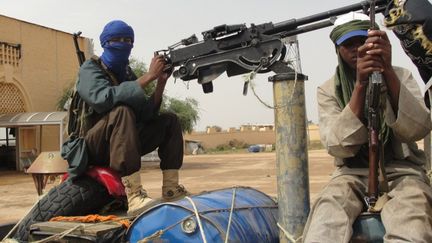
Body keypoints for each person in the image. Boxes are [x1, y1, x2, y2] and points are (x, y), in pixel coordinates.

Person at [302, 12, 432, 242]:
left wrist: (388, 71)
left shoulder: (402, 76)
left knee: (412, 215)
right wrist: (361, 86)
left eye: (362, 42)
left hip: (402, 170)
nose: (356, 50)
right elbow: (337, 146)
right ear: (338, 50)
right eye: (348, 45)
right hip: (351, 173)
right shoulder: (328, 89)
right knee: (327, 212)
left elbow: (419, 128)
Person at [62, 20, 188, 216]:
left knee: (169, 120)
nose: (124, 44)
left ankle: (171, 188)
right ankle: (134, 195)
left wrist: (160, 83)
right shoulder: (90, 69)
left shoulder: (126, 73)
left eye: (128, 40)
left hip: (120, 143)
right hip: (91, 146)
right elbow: (102, 99)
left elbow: (146, 113)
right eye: (117, 40)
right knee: (122, 111)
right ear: (105, 43)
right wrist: (147, 77)